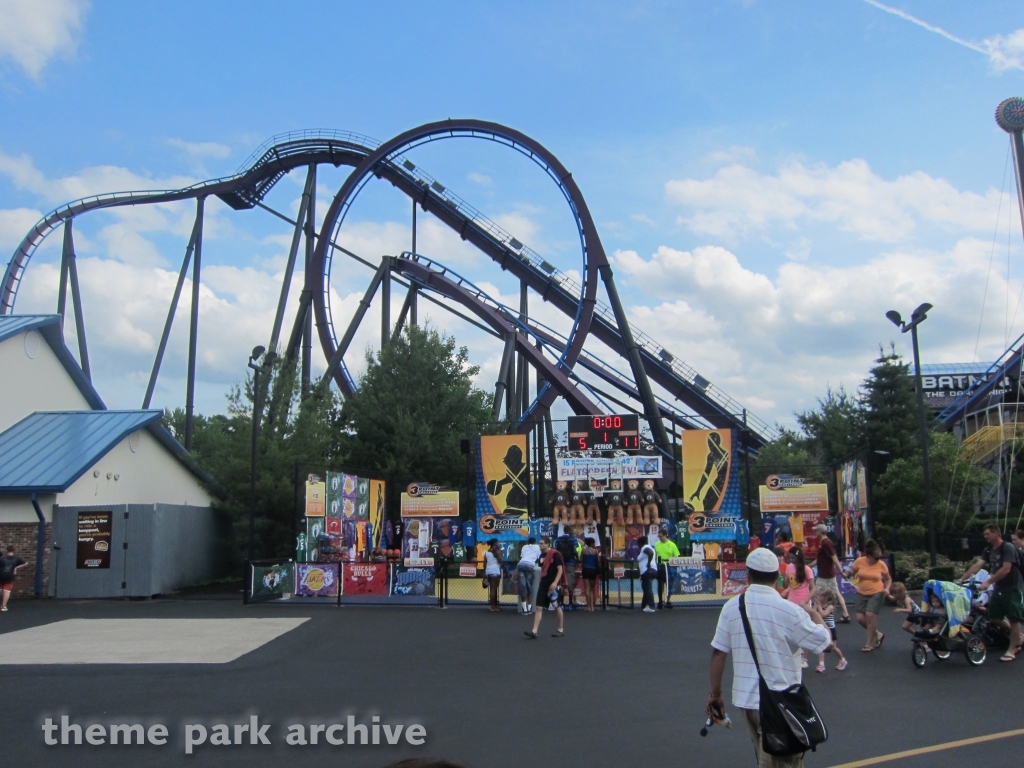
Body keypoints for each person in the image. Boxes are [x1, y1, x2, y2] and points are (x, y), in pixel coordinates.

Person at [708, 549, 832, 768]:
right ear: (778, 576)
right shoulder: (789, 611)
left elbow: (719, 652)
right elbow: (824, 643)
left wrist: (715, 694)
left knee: (763, 757)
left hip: (747, 700)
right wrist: (815, 615)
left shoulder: (731, 607)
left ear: (748, 574)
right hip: (781, 701)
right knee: (784, 762)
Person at [960, 523, 1023, 662]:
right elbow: (978, 565)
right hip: (999, 587)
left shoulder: (1007, 548)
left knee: (1014, 618)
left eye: (987, 534)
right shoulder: (989, 550)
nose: (985, 536)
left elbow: (1006, 569)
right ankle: (1018, 637)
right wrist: (962, 579)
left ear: (996, 533)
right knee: (994, 616)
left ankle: (1013, 648)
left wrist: (988, 582)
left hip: (1012, 587)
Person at [847, 539, 891, 652]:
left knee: (870, 615)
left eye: (879, 557)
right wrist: (848, 574)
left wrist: (887, 588)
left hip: (877, 592)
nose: (878, 559)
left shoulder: (881, 565)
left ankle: (868, 644)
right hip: (862, 592)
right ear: (869, 555)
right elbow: (853, 573)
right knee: (860, 618)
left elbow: (888, 578)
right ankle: (878, 634)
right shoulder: (859, 561)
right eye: (876, 557)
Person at [525, 537, 564, 638]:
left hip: (553, 585)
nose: (540, 545)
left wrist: (555, 582)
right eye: (540, 543)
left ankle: (560, 629)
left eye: (542, 543)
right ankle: (534, 631)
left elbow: (560, 569)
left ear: (547, 544)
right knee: (538, 607)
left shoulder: (555, 554)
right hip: (544, 583)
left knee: (556, 606)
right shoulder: (541, 555)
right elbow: (543, 568)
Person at [782, 547, 815, 668]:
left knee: (804, 629)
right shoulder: (789, 567)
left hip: (803, 602)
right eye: (790, 558)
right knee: (790, 629)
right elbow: (788, 584)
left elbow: (813, 588)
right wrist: (786, 585)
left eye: (793, 558)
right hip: (791, 601)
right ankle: (792, 655)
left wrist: (806, 601)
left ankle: (804, 658)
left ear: (798, 557)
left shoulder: (807, 569)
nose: (791, 560)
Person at [813, 523, 850, 623]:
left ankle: (814, 614)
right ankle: (845, 613)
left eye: (816, 530)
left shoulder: (826, 543)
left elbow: (834, 557)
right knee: (836, 592)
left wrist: (840, 570)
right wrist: (809, 566)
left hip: (825, 574)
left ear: (820, 531)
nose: (815, 532)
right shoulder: (824, 542)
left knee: (818, 593)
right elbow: (820, 559)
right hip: (827, 573)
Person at [812, 586, 848, 673]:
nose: (818, 598)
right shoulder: (818, 605)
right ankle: (821, 665)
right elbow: (813, 613)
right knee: (821, 647)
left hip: (830, 630)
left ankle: (842, 660)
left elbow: (823, 615)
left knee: (833, 648)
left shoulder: (830, 606)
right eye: (818, 596)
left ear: (826, 597)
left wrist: (819, 606)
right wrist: (816, 605)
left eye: (820, 596)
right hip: (821, 628)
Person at [554, 526, 580, 610]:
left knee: (561, 583)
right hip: (570, 563)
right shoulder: (573, 539)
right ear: (569, 530)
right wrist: (577, 559)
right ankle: (570, 604)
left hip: (560, 564)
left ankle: (561, 603)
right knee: (570, 584)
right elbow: (575, 550)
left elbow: (556, 551)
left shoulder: (558, 539)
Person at [654, 529, 680, 609]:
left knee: (669, 584)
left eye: (661, 536)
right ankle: (660, 601)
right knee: (660, 585)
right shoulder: (656, 544)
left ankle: (668, 601)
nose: (659, 538)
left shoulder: (672, 545)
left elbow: (676, 556)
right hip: (660, 566)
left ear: (665, 535)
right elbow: (656, 555)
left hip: (669, 567)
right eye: (658, 536)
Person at [516, 537, 542, 615]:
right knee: (529, 586)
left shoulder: (524, 547)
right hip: (530, 566)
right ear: (535, 541)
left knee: (523, 587)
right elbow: (539, 558)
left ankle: (524, 609)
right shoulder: (538, 547)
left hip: (521, 565)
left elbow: (522, 556)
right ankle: (529, 608)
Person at [0, 545, 26, 612]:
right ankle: (3, 606)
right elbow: (25, 563)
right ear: (13, 550)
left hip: (1, 575)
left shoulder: (2, 558)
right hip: (10, 576)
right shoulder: (17, 558)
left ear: (7, 550)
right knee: (7, 591)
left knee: (1, 589)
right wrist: (16, 568)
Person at [580, 537, 601, 612]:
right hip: (593, 569)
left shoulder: (584, 550)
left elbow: (581, 559)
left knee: (587, 588)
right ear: (592, 543)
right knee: (592, 588)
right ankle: (592, 606)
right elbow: (598, 560)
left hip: (585, 569)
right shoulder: (595, 551)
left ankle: (588, 606)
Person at [637, 536, 658, 613]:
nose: (638, 546)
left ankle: (651, 606)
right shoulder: (650, 547)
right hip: (652, 570)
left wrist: (648, 564)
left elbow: (650, 553)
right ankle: (644, 605)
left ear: (640, 543)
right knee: (645, 587)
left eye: (638, 544)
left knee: (648, 588)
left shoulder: (644, 548)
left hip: (647, 571)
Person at [484, 539, 503, 612]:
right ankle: (493, 607)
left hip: (488, 571)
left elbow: (484, 564)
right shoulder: (497, 551)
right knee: (494, 589)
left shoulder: (487, 552)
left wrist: (485, 573)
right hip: (495, 571)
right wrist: (501, 554)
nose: (499, 543)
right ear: (495, 543)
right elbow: (500, 561)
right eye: (498, 542)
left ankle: (493, 605)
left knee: (492, 589)